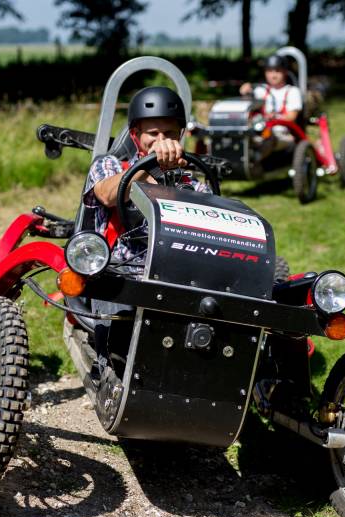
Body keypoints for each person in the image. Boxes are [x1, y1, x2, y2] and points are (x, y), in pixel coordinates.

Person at [81, 86, 210, 383]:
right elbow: (107, 193)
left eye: (169, 132)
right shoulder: (110, 165)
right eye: (153, 132)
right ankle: (111, 371)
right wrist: (145, 166)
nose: (161, 140)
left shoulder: (192, 180)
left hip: (176, 275)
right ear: (136, 134)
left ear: (180, 135)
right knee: (120, 352)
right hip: (121, 272)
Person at [239, 54, 304, 165]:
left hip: (282, 134)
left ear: (284, 72)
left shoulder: (292, 91)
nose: (273, 75)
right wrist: (244, 89)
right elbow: (246, 97)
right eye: (269, 71)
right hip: (260, 131)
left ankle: (253, 161)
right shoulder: (262, 90)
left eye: (277, 71)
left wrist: (274, 117)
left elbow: (292, 117)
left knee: (268, 135)